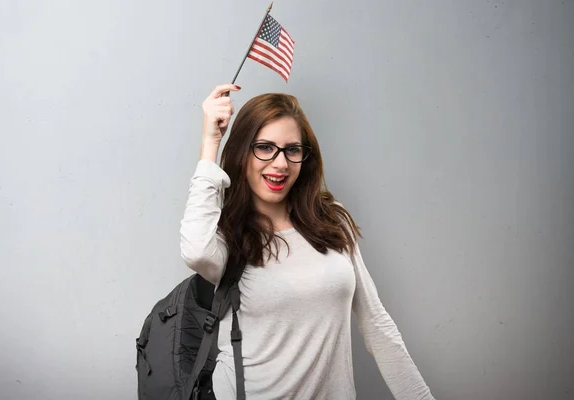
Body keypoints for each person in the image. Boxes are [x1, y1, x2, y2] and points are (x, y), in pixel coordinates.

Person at [180, 83, 435, 399]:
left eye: (292, 150)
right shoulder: (226, 232)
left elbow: (376, 324)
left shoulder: (332, 219)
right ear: (242, 154)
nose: (280, 164)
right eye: (265, 147)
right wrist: (210, 143)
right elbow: (195, 251)